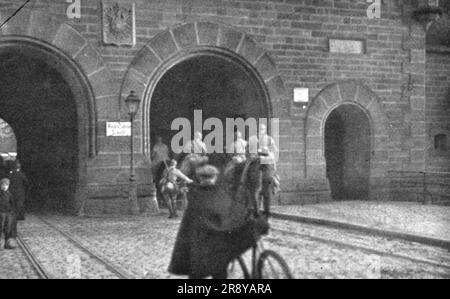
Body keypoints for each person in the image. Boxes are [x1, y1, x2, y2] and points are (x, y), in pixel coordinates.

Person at [248, 124, 279, 217]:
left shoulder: (269, 139)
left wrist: (268, 152)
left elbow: (275, 150)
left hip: (266, 162)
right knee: (247, 167)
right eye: (259, 129)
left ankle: (267, 210)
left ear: (265, 130)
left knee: (267, 190)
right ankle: (243, 177)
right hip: (256, 160)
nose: (261, 131)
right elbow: (249, 151)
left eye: (262, 129)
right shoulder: (253, 139)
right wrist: (256, 153)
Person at [151, 136, 170, 202]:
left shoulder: (155, 146)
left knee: (155, 176)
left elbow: (153, 155)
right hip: (165, 162)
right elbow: (167, 153)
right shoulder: (165, 146)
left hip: (159, 163)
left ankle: (155, 183)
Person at [0, 178, 17, 249]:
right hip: (1, 212)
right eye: (3, 185)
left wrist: (12, 211)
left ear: (8, 186)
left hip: (8, 213)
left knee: (8, 226)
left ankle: (8, 241)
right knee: (1, 226)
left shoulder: (9, 194)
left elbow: (12, 203)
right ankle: (1, 240)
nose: (4, 186)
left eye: (6, 185)